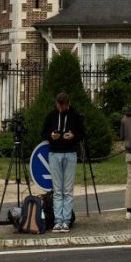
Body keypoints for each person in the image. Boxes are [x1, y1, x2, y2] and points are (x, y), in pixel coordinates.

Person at [42, 92, 86, 232]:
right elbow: (43, 133)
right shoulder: (51, 116)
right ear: (56, 103)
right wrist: (51, 136)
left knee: (67, 189)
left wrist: (73, 136)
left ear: (68, 104)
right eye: (59, 106)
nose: (61, 109)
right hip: (55, 153)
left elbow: (83, 134)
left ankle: (66, 220)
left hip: (70, 153)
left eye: (63, 106)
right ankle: (58, 220)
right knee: (57, 190)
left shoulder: (75, 115)